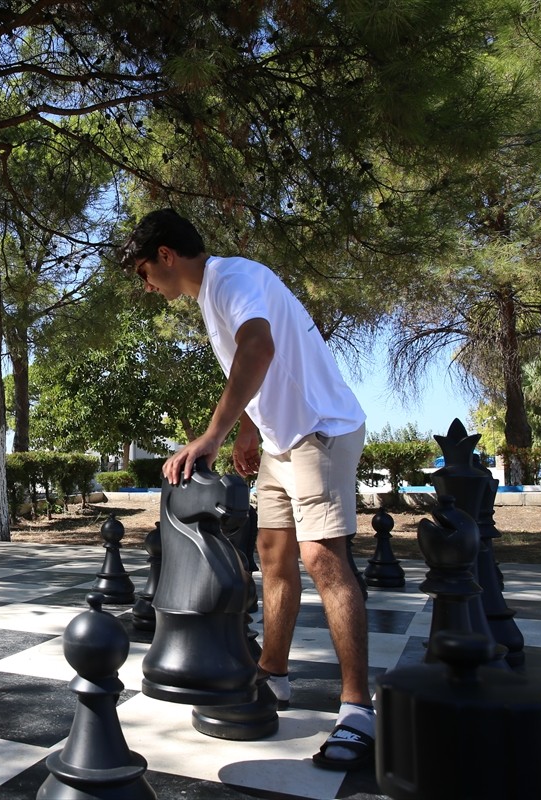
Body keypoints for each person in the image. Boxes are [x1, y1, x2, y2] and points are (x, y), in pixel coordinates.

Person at [119, 209, 371, 771]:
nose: (146, 285)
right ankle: (272, 676)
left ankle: (357, 710)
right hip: (283, 438)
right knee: (273, 554)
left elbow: (259, 349)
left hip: (319, 429)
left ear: (165, 256)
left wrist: (213, 434)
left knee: (322, 559)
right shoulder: (216, 291)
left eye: (143, 271)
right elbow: (261, 361)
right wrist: (253, 428)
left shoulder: (231, 279)